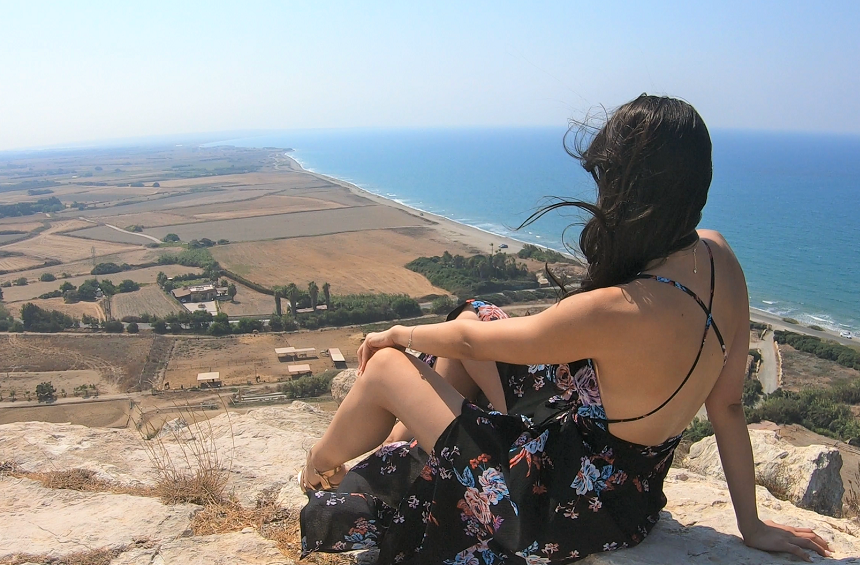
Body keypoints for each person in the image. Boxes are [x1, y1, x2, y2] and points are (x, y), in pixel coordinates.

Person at [298, 95, 831, 563]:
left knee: (393, 366)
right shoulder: (723, 259)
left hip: (548, 507)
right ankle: (406, 440)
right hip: (629, 504)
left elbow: (467, 345)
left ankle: (318, 467)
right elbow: (729, 408)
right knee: (475, 313)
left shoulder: (616, 308)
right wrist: (751, 525)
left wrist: (396, 336)